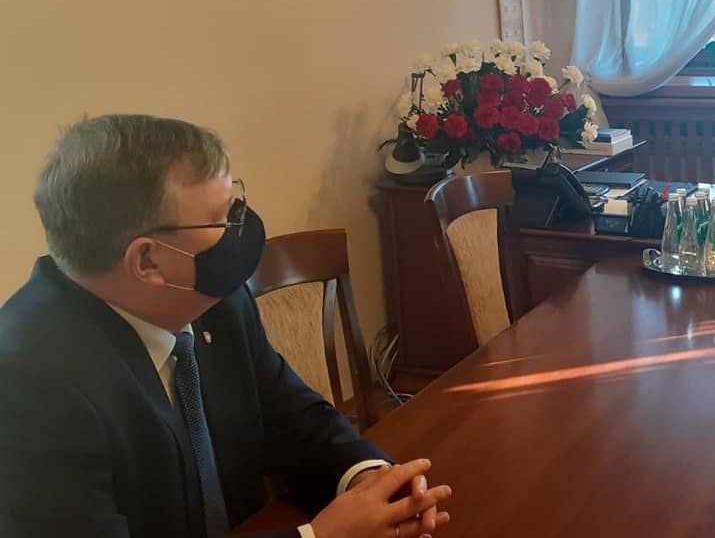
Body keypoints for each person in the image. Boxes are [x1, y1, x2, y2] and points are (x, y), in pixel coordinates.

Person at [0, 115, 453, 538]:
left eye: (236, 203)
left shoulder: (216, 302)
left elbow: (293, 418)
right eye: (222, 218)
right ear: (148, 260)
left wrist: (369, 479)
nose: (241, 228)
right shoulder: (27, 385)